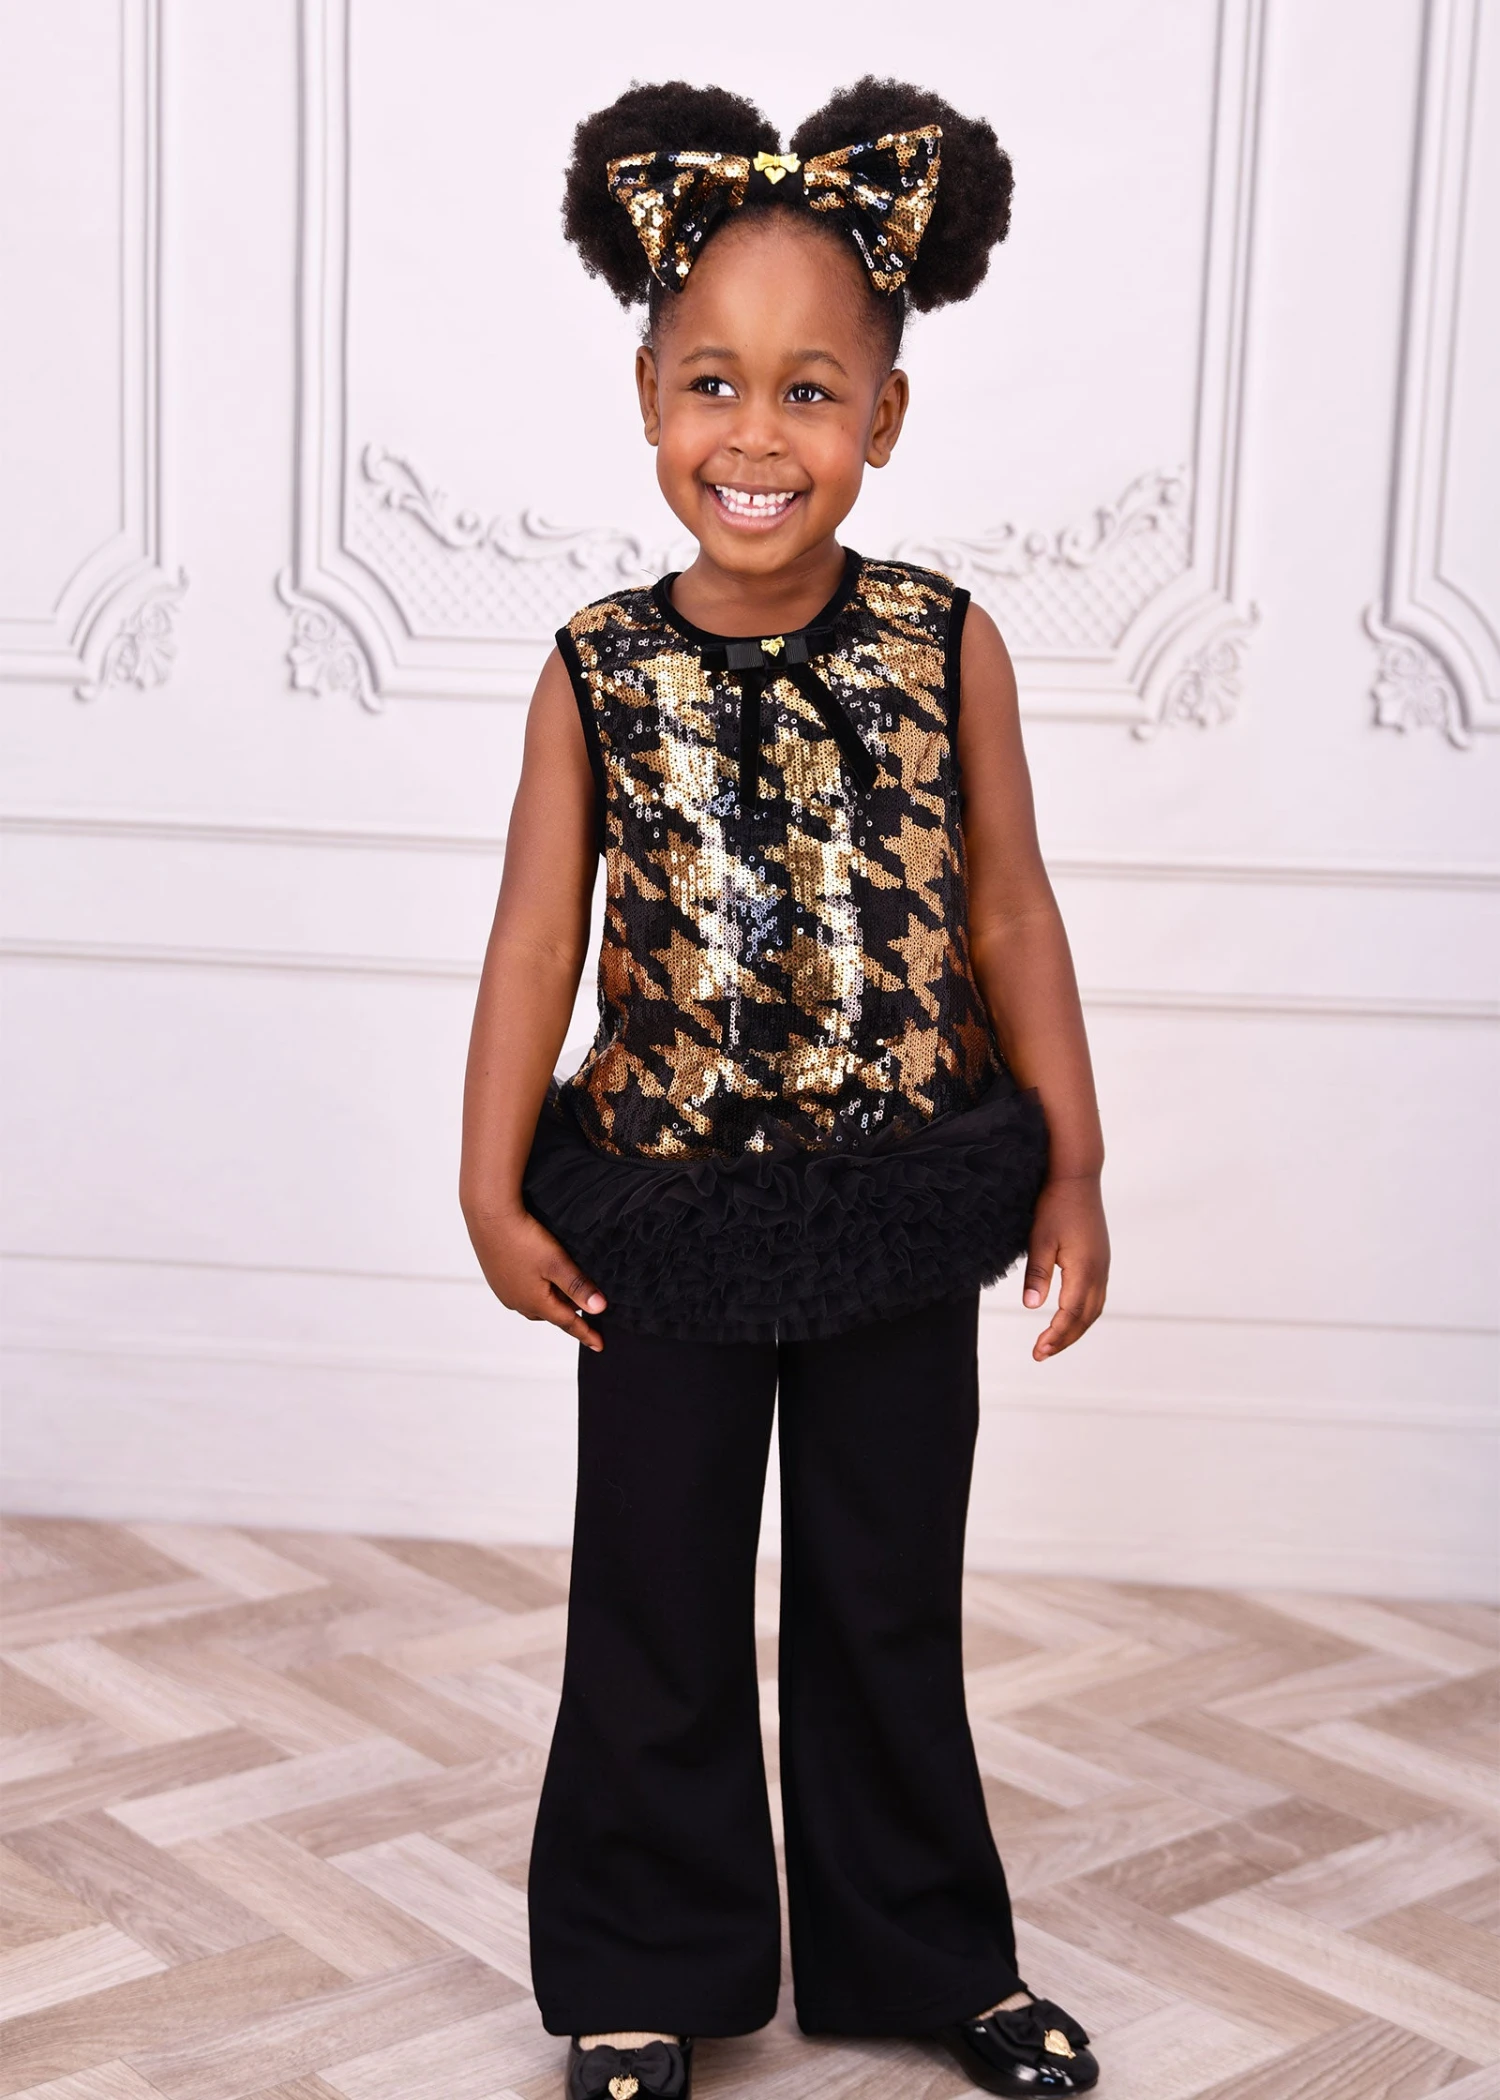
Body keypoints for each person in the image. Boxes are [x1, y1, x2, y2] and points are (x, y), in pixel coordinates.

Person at [460, 74, 1110, 2100]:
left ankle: (924, 1951)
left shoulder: (944, 643)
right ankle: (640, 1966)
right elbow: (532, 946)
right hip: (662, 1213)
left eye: (811, 391)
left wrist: (1074, 1164)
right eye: (714, 385)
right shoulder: (597, 669)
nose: (757, 437)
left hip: (903, 1201)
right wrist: (491, 1188)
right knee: (654, 1591)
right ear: (650, 398)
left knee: (884, 1591)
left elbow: (1011, 912)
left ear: (884, 418)